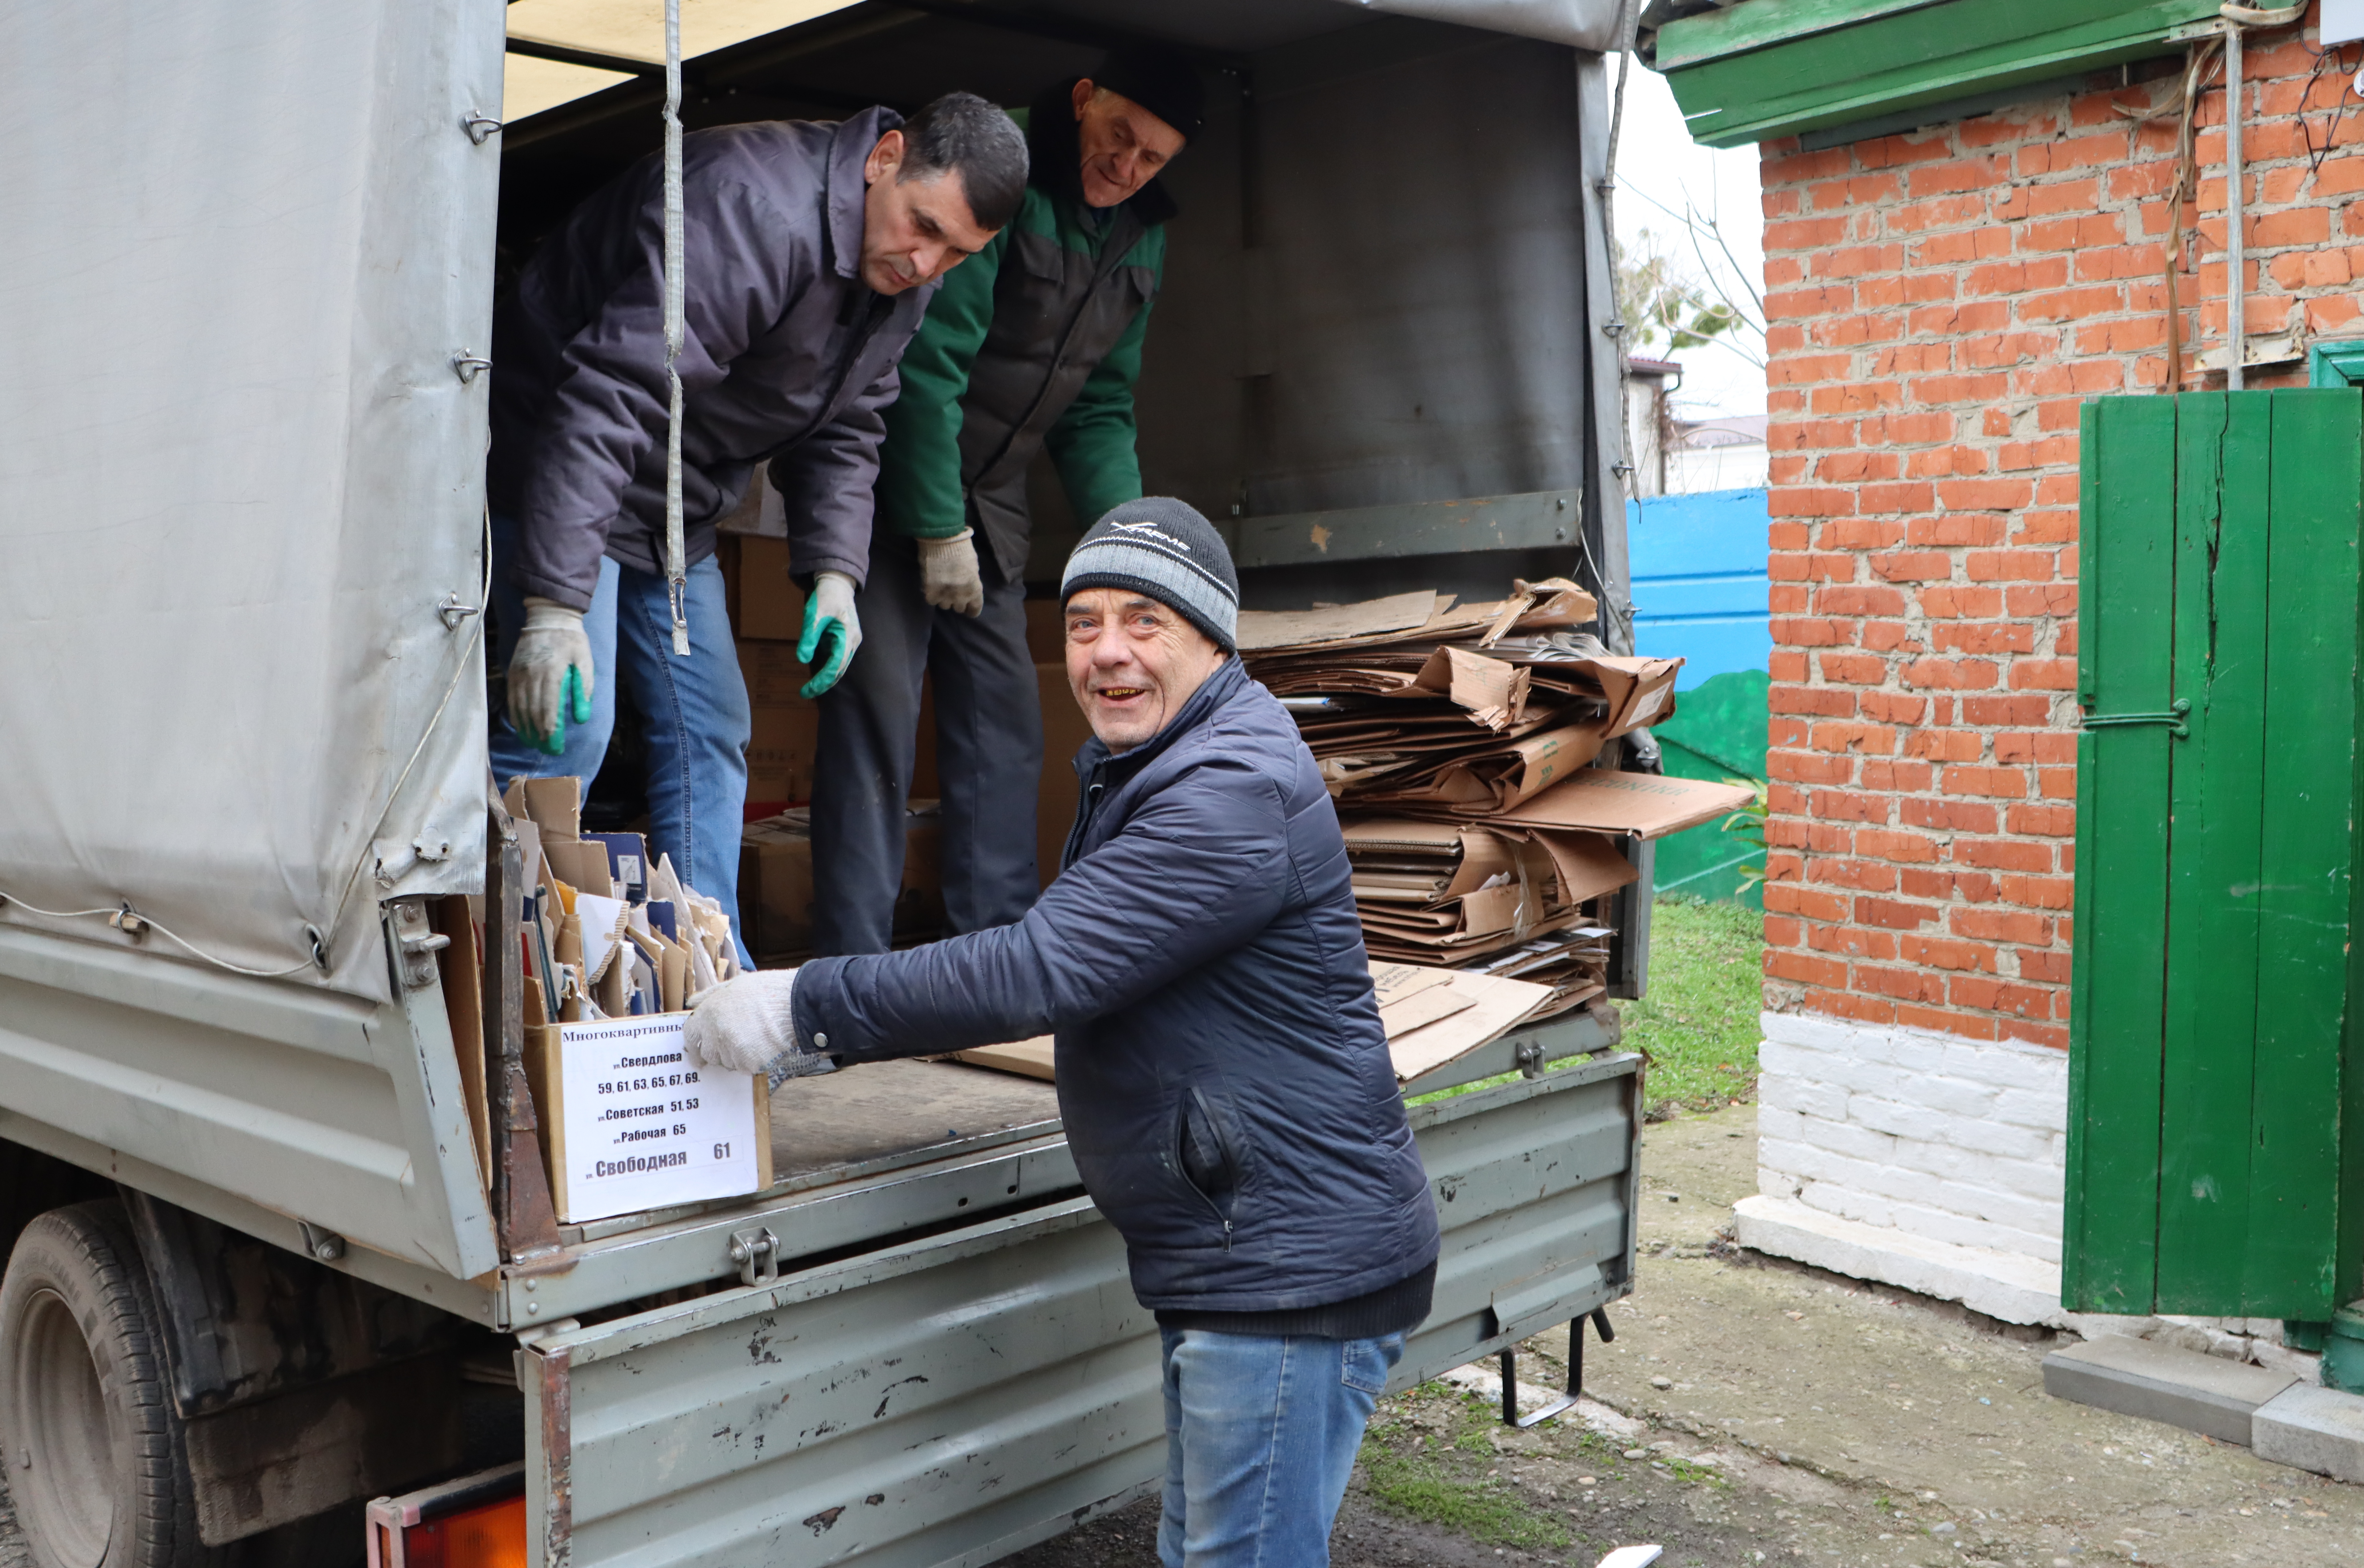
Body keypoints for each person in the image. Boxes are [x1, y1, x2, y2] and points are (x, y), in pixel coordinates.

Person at [688, 499, 1441, 1568]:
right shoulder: (1164, 758)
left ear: (1212, 637)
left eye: (1144, 620)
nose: (1107, 653)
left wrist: (800, 1005)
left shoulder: (1229, 789)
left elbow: (1043, 966)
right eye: (1084, 623)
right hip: (1243, 1252)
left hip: (1286, 1273)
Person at [485, 93, 1028, 958]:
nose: (928, 264)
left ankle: (707, 976)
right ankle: (503, 989)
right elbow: (610, 396)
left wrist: (835, 574)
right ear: (885, 156)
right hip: (553, 460)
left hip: (674, 507)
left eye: (957, 253)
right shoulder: (750, 209)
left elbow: (853, 420)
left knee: (710, 727)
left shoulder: (904, 273)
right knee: (564, 726)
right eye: (923, 228)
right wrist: (554, 608)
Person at [808, 47, 1203, 955]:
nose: (1126, 168)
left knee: (1005, 730)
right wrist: (934, 523)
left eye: (1152, 159)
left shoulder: (1142, 228)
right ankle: (852, 974)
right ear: (1081, 101)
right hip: (887, 481)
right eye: (1117, 138)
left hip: (992, 500)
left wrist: (1132, 551)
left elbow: (1099, 405)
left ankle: (994, 965)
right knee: (876, 717)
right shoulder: (1005, 174)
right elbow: (925, 365)